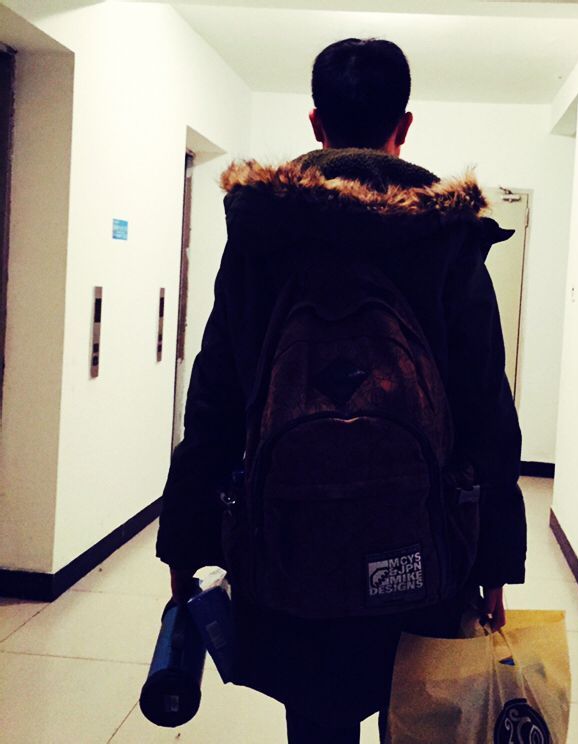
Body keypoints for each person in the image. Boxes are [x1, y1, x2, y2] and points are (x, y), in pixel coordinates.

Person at [156, 37, 526, 744]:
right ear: (404, 126)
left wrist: (186, 540)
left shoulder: (264, 233)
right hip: (426, 545)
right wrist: (495, 563)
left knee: (316, 718)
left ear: (316, 122)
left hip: (291, 539)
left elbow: (216, 397)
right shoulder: (447, 239)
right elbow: (486, 410)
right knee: (416, 715)